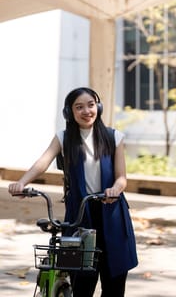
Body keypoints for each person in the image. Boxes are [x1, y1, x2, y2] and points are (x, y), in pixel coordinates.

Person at [8, 87, 138, 297]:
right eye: (79, 107)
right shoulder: (64, 138)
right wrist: (21, 183)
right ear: (70, 112)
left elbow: (121, 177)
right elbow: (42, 162)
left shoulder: (114, 137)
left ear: (99, 107)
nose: (86, 111)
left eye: (91, 105)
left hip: (112, 213)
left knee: (114, 283)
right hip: (80, 215)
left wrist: (115, 189)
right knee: (82, 283)